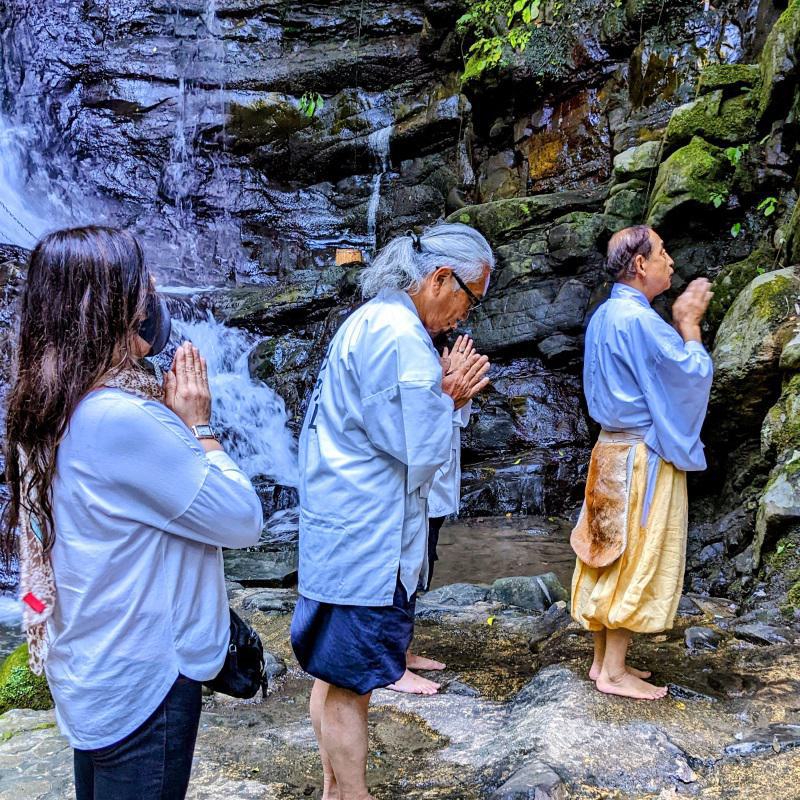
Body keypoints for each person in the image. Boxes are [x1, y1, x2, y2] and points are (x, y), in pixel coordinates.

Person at [1, 226, 263, 799]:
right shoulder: (119, 417)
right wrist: (198, 426)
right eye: (139, 284)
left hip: (92, 664)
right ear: (107, 308)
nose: (151, 292)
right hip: (145, 681)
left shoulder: (48, 404)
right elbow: (243, 518)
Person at [290, 222, 493, 800]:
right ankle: (352, 795)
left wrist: (441, 399)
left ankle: (335, 789)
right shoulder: (398, 334)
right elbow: (416, 451)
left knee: (331, 677)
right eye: (469, 298)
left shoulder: (371, 320)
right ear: (439, 278)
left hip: (344, 527)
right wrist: (449, 398)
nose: (464, 315)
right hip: (366, 538)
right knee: (351, 684)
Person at [570, 225, 713, 701]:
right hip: (639, 457)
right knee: (633, 553)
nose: (670, 261)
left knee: (604, 549)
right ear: (639, 265)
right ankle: (613, 672)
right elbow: (685, 377)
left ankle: (599, 663)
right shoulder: (642, 321)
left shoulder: (603, 317)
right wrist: (689, 326)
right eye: (663, 252)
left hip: (608, 447)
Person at [388, 335, 477, 696]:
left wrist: (455, 389)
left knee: (423, 564)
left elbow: (456, 420)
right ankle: (392, 662)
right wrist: (442, 385)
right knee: (402, 567)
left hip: (436, 492)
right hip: (413, 489)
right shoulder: (401, 356)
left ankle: (403, 651)